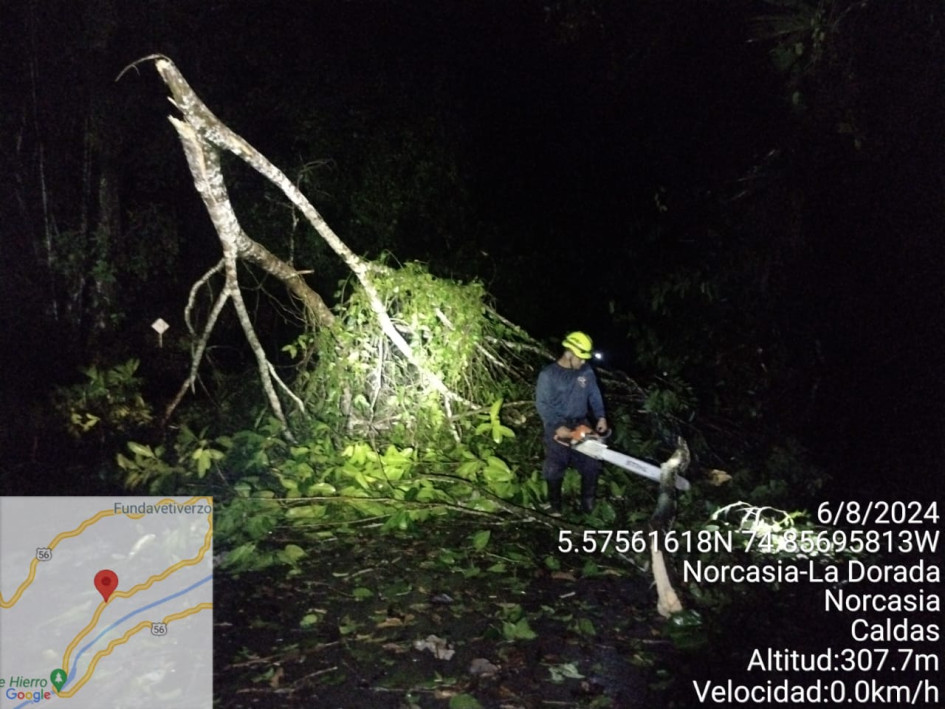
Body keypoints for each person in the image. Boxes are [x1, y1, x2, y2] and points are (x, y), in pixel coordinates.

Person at [535, 331, 609, 514]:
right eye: (580, 358)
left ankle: (588, 506)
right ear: (569, 354)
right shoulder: (548, 375)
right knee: (554, 467)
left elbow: (594, 393)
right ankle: (555, 506)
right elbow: (542, 404)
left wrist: (601, 416)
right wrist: (557, 426)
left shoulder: (586, 371)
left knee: (592, 463)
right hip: (557, 425)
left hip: (581, 422)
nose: (583, 362)